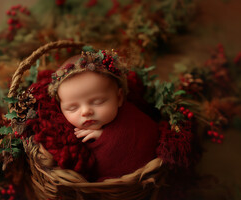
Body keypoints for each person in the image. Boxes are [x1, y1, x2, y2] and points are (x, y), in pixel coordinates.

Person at [48, 49, 159, 181]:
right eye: (72, 108)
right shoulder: (63, 132)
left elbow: (147, 135)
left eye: (98, 102)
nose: (85, 112)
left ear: (119, 98)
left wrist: (105, 136)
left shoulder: (132, 116)